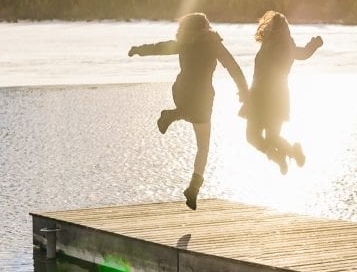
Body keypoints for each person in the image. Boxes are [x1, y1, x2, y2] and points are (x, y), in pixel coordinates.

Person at [129, 13, 248, 210]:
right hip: (202, 96)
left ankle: (174, 114)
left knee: (189, 114)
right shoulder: (213, 43)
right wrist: (243, 90)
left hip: (181, 91)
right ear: (206, 27)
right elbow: (233, 66)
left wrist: (138, 50)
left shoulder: (183, 42)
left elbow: (159, 48)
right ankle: (193, 188)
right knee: (203, 146)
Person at [242, 11, 323, 174]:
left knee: (271, 137)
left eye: (275, 26)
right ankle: (282, 156)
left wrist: (314, 45)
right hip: (257, 96)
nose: (271, 28)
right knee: (252, 137)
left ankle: (292, 152)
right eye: (272, 25)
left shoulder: (286, 44)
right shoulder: (267, 42)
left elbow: (302, 54)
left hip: (276, 97)